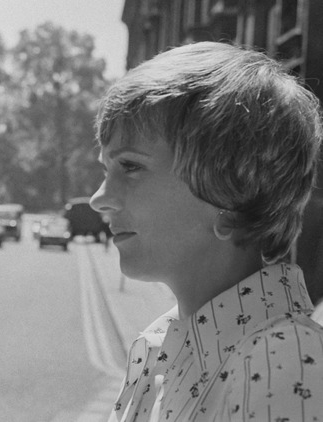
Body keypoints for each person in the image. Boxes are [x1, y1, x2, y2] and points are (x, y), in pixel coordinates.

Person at [90, 41, 323, 421]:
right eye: (106, 170)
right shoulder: (159, 345)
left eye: (130, 167)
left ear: (230, 193)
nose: (99, 198)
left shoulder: (283, 362)